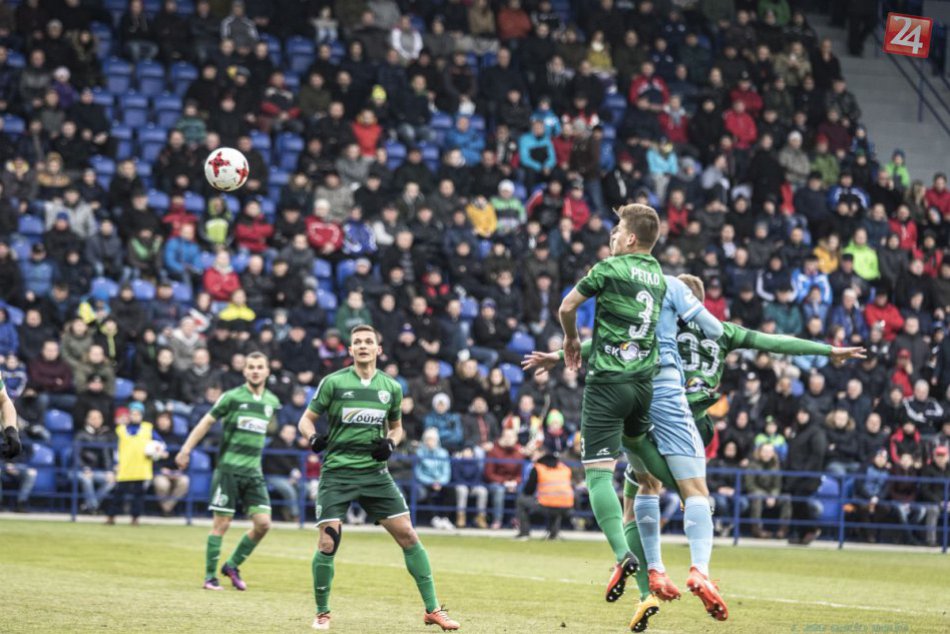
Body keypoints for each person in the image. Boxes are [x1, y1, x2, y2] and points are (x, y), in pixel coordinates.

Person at [556, 203, 728, 621]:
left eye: (616, 229)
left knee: (598, 472)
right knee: (646, 475)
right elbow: (713, 330)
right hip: (645, 388)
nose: (612, 235)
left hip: (608, 384)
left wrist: (571, 341)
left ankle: (625, 556)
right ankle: (665, 559)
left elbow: (566, 307)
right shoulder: (660, 279)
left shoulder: (609, 269)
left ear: (630, 237)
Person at [297, 325, 459, 631]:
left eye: (368, 341)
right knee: (328, 542)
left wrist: (391, 442)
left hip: (374, 473)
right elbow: (305, 419)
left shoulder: (391, 387)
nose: (362, 346)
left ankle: (433, 609)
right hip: (338, 472)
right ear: (350, 349)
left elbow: (396, 427)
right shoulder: (333, 383)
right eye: (357, 341)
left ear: (378, 349)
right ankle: (322, 612)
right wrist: (313, 438)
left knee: (409, 535)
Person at [175, 352, 281, 591]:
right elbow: (206, 422)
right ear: (244, 371)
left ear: (267, 371)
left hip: (254, 472)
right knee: (222, 523)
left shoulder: (272, 401)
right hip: (229, 471)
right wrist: (186, 449)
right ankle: (210, 577)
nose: (255, 370)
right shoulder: (231, 397)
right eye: (250, 367)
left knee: (263, 524)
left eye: (259, 367)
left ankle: (232, 565)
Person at [106, 402, 163, 526]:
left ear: (142, 415)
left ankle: (135, 518)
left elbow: (160, 444)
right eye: (132, 414)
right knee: (118, 493)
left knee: (138, 496)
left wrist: (160, 452)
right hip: (125, 467)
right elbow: (115, 449)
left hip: (142, 468)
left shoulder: (148, 428)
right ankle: (111, 516)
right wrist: (114, 465)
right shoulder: (120, 430)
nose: (135, 416)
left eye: (138, 414)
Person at [515, 450, 574, 540]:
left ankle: (524, 533)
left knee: (521, 501)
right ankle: (554, 534)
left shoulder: (538, 468)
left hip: (546, 506)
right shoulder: (565, 469)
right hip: (567, 508)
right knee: (557, 503)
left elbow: (528, 490)